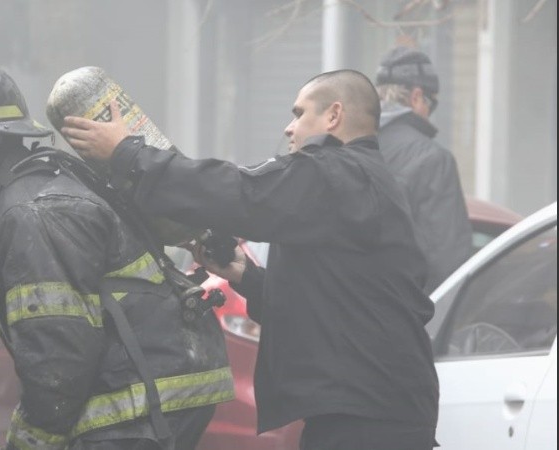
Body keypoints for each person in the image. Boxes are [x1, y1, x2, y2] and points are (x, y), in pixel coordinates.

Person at [61, 69, 440, 449]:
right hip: (374, 408)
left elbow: (242, 192)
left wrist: (128, 153)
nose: (289, 128)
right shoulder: (361, 181)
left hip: (368, 420)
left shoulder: (337, 173)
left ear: (334, 116)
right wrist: (246, 276)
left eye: (299, 113)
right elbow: (335, 304)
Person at [0, 49, 234, 450]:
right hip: (141, 394)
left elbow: (58, 359)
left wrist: (27, 443)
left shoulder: (31, 212)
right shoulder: (19, 196)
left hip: (138, 403)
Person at [375, 46, 473, 293]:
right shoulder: (433, 160)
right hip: (402, 320)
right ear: (417, 97)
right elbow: (448, 261)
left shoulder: (346, 147)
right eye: (433, 103)